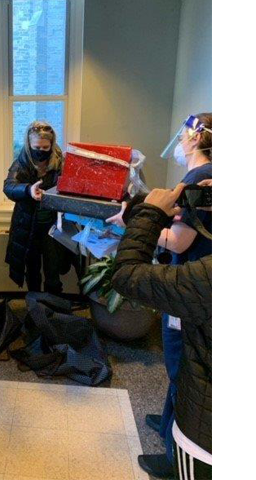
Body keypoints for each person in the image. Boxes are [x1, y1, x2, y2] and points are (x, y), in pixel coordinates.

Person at [107, 113, 213, 478]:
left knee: (181, 364)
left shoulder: (200, 178)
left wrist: (141, 224)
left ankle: (173, 453)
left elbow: (179, 240)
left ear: (196, 138)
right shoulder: (198, 178)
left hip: (192, 292)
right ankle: (169, 422)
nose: (180, 141)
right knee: (179, 366)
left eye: (184, 135)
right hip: (190, 285)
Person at [4, 121, 66, 294]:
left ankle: (53, 312)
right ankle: (35, 312)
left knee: (53, 272)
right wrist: (27, 190)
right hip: (28, 227)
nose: (41, 151)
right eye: (36, 147)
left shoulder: (60, 163)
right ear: (29, 144)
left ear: (52, 145)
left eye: (45, 147)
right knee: (32, 272)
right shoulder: (22, 162)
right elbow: (8, 186)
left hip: (52, 227)